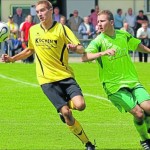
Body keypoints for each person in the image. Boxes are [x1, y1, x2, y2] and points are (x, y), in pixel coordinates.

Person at [1, 0, 95, 150]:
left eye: (43, 10)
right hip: (46, 80)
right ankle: (88, 143)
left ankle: (64, 105)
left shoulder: (62, 29)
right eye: (38, 11)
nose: (40, 14)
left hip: (65, 76)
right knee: (67, 114)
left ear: (51, 11)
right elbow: (30, 50)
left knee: (81, 105)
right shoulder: (33, 30)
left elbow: (80, 49)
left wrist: (74, 48)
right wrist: (12, 59)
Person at [82, 10, 150, 150]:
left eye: (102, 21)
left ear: (111, 22)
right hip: (114, 86)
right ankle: (145, 140)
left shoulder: (123, 35)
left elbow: (137, 45)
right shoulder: (98, 41)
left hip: (132, 80)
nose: (99, 24)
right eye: (98, 21)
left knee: (148, 107)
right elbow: (85, 57)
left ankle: (148, 128)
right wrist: (102, 53)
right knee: (138, 113)